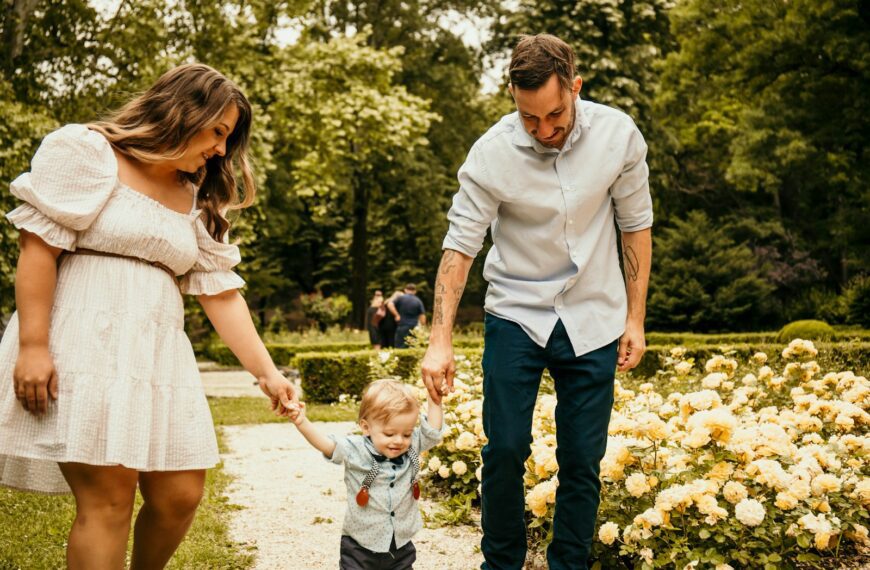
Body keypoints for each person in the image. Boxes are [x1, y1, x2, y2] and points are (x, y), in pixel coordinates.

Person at [0, 63, 298, 569]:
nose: (222, 150)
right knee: (109, 499)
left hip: (158, 355)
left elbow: (221, 293)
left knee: (181, 493)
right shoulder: (90, 152)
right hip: (84, 342)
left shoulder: (197, 197)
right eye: (218, 131)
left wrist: (268, 375)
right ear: (184, 112)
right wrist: (33, 345)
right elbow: (38, 248)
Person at [419, 34, 653, 570]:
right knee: (503, 450)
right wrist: (439, 340)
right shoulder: (491, 154)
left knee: (582, 461)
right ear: (512, 97)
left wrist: (635, 319)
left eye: (555, 115)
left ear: (574, 87)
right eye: (529, 119)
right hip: (516, 314)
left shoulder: (619, 136)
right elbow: (460, 247)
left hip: (594, 314)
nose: (544, 131)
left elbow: (636, 227)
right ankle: (499, 564)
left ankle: (568, 565)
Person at [286, 379, 444, 569]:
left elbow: (432, 433)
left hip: (399, 545)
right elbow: (326, 445)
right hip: (359, 546)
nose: (399, 440)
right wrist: (301, 421)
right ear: (366, 427)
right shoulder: (355, 449)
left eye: (407, 433)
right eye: (389, 434)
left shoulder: (411, 446)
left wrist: (435, 399)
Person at [387, 283, 427, 349]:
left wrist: (397, 315)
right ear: (415, 291)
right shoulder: (418, 301)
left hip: (402, 325)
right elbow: (422, 315)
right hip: (414, 327)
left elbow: (390, 304)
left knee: (400, 346)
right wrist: (423, 327)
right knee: (413, 346)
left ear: (405, 290)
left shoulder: (400, 298)